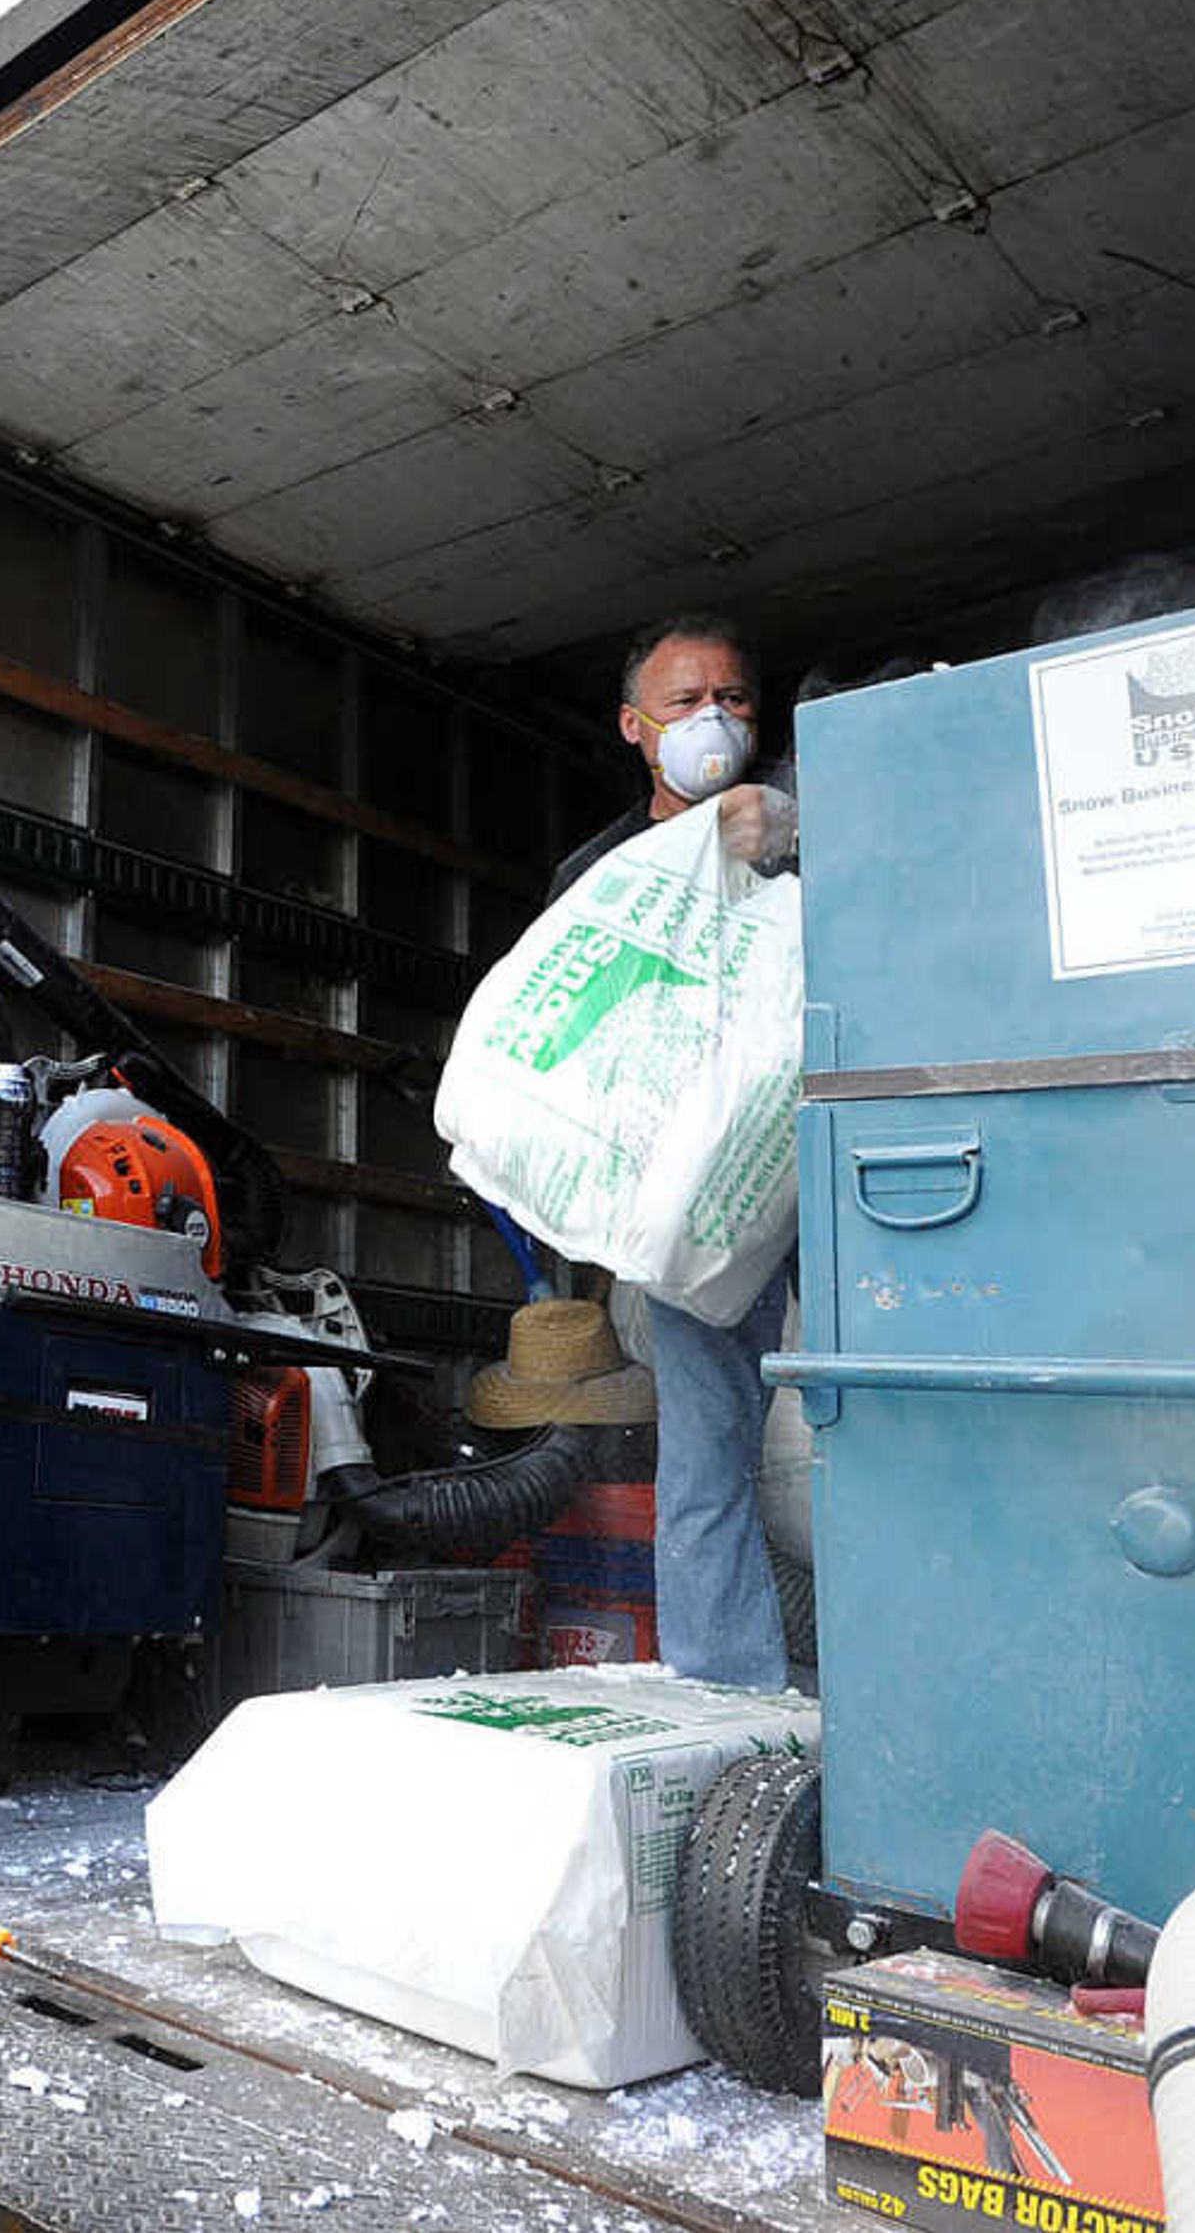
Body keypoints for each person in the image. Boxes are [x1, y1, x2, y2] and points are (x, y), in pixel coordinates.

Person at [549, 615, 800, 1691]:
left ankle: (904, 1692)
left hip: (829, 1168)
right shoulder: (598, 876)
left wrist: (791, 832)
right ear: (635, 727)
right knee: (707, 1458)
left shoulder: (800, 833)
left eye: (734, 700)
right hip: (703, 1202)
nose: (713, 721)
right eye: (687, 702)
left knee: (886, 1423)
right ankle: (726, 1693)